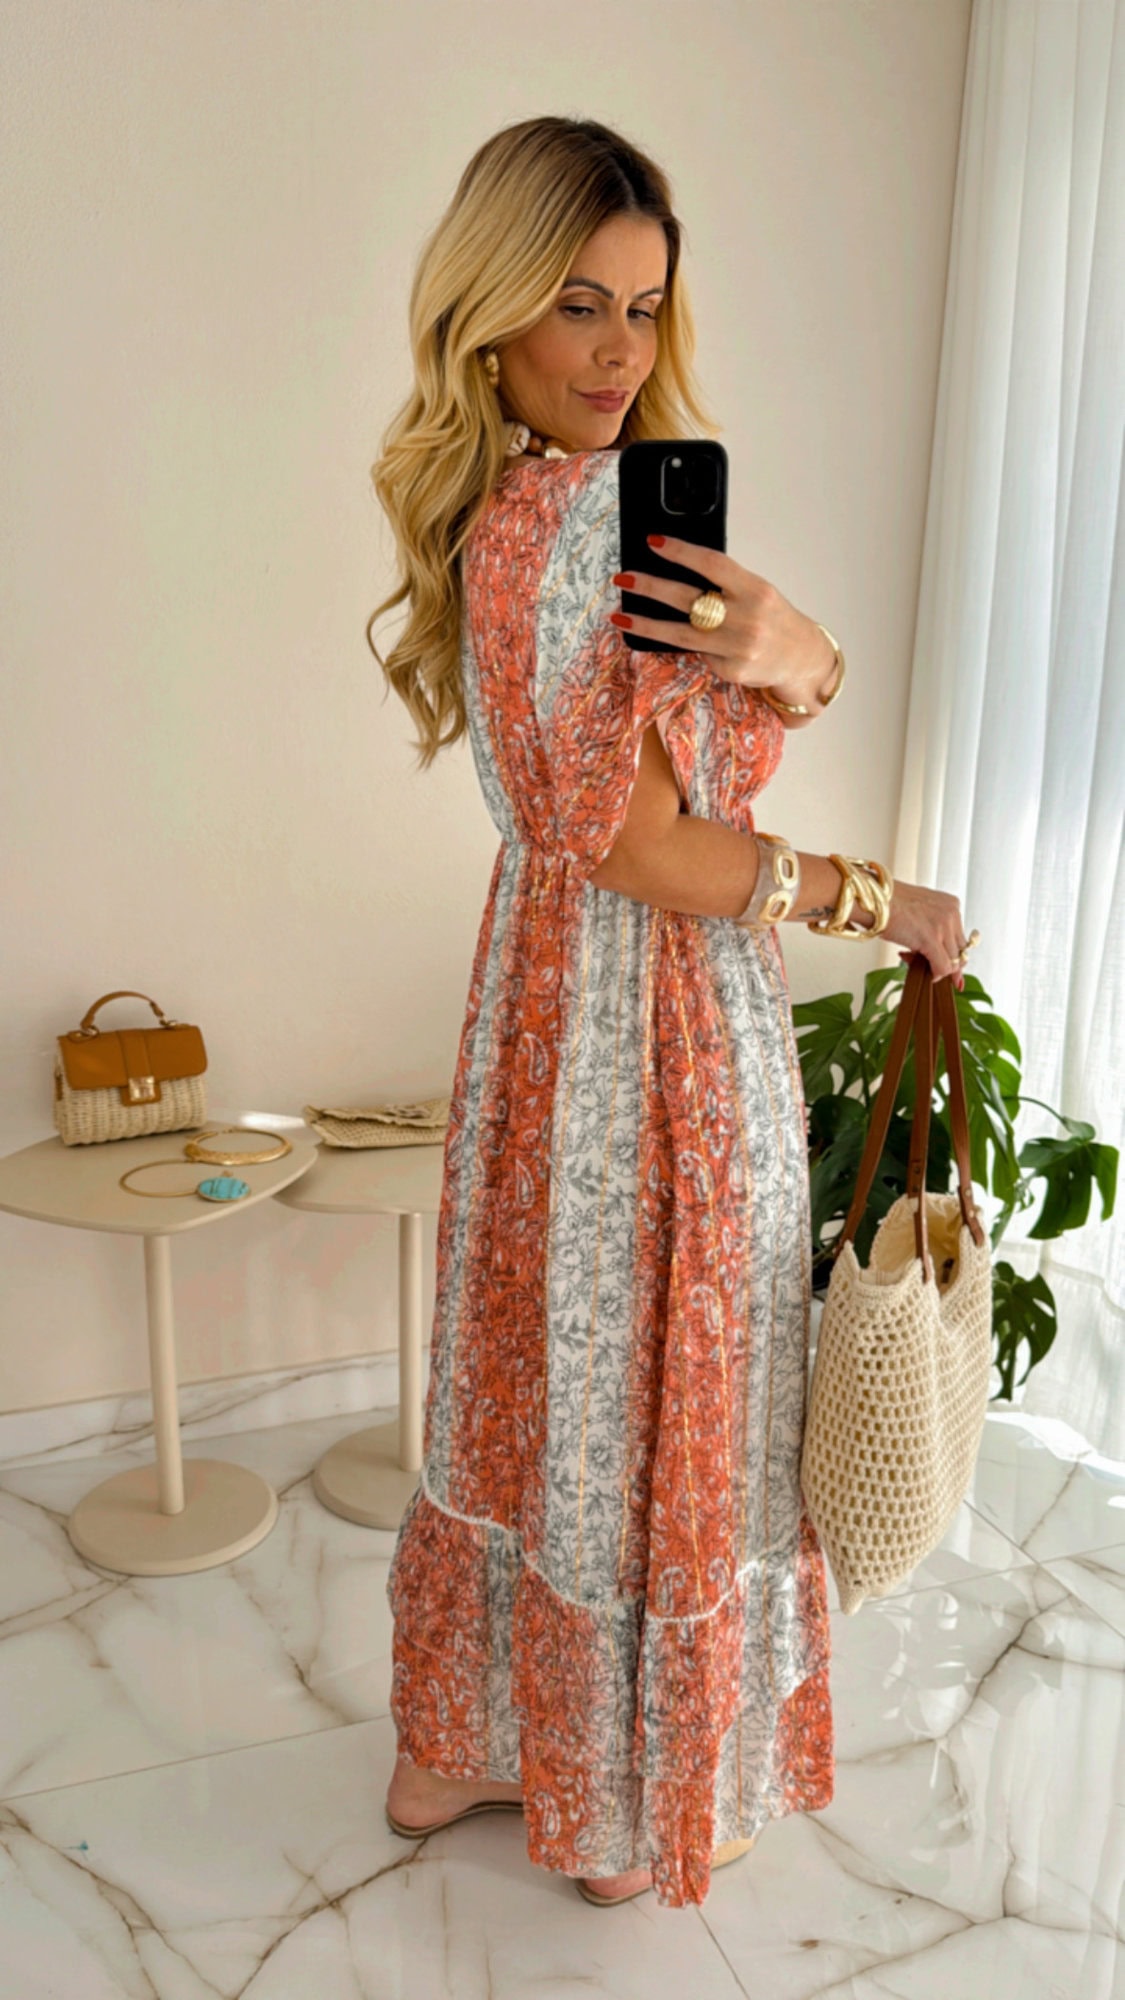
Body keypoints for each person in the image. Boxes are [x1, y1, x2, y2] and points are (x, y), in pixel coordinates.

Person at [366, 115, 972, 1911]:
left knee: (539, 1375)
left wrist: (796, 657)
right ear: (490, 314)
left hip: (538, 1007)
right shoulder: (587, 521)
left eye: (642, 304)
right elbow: (649, 847)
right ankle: (618, 1805)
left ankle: (463, 1745)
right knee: (655, 1383)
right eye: (575, 303)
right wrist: (876, 896)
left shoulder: (508, 515)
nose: (617, 349)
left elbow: (610, 810)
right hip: (654, 1025)